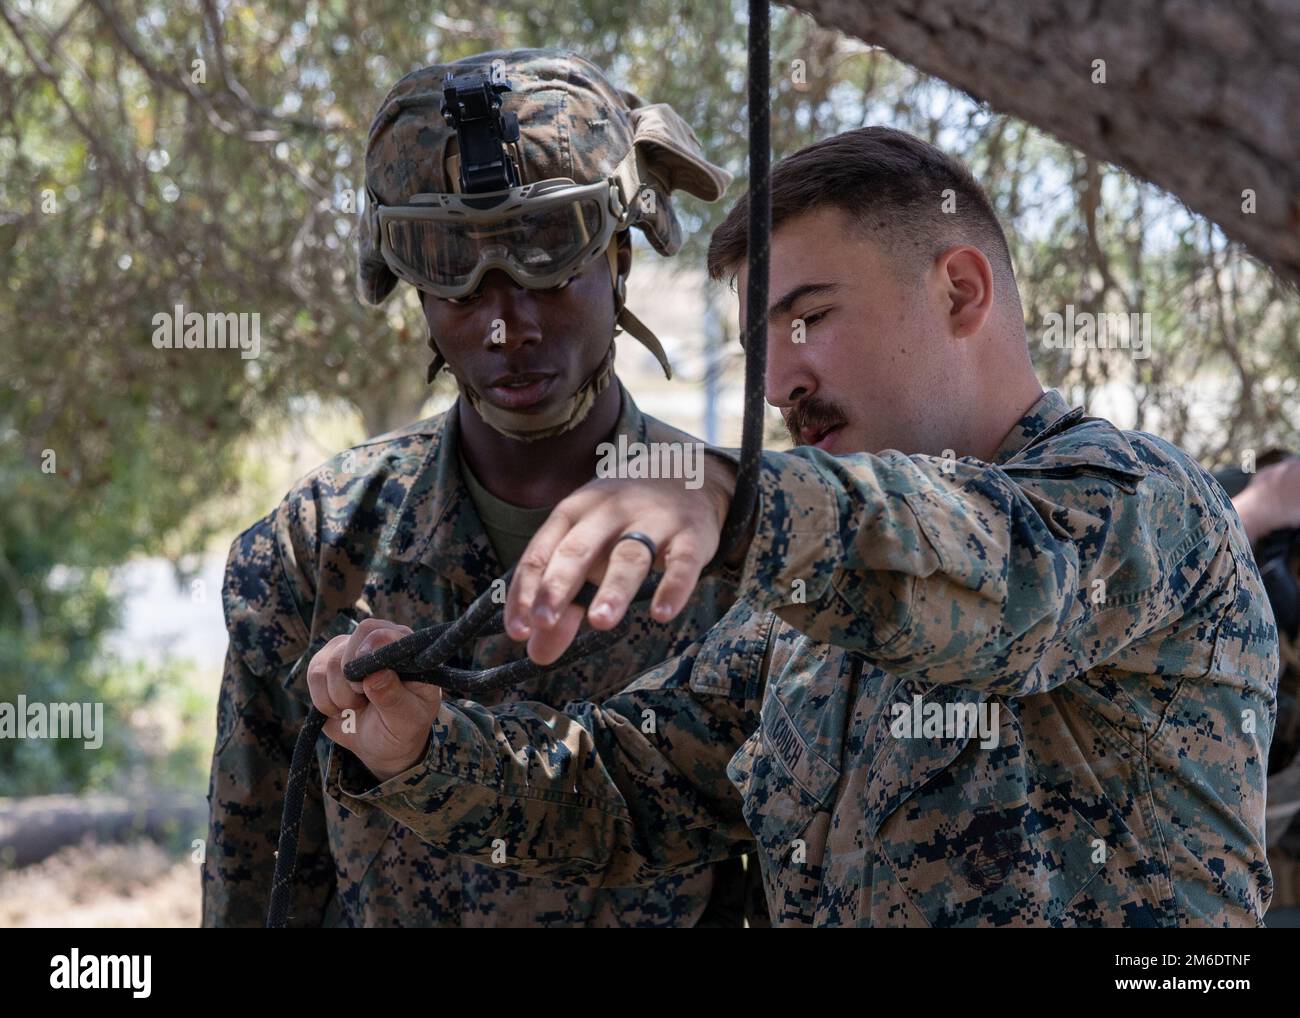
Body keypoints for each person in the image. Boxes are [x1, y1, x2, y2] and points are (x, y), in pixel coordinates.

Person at [313, 128, 1279, 926]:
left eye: (810, 318)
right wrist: (422, 749)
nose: (779, 385)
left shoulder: (1145, 505)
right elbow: (626, 786)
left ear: (961, 292)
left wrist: (739, 497)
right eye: (758, 348)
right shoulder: (800, 615)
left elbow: (995, 578)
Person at [201, 48, 752, 927]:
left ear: (619, 259)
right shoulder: (319, 544)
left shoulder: (734, 535)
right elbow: (262, 871)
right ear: (414, 291)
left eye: (547, 264)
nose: (507, 323)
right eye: (455, 276)